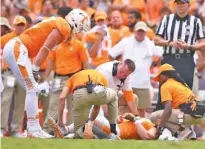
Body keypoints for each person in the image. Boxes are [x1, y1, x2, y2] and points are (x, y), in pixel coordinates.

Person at [3, 9, 90, 138]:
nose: (80, 31)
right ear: (77, 23)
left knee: (32, 88)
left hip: (17, 48)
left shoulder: (59, 22)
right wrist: (35, 68)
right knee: (32, 88)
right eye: (81, 27)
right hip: (18, 48)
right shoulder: (64, 27)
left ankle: (34, 128)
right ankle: (33, 129)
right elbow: (45, 48)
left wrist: (34, 68)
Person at [109, 22, 163, 117]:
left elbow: (162, 55)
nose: (140, 33)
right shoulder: (126, 41)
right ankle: (123, 128)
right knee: (123, 108)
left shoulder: (151, 44)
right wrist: (116, 69)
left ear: (146, 32)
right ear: (135, 31)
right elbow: (111, 54)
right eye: (139, 31)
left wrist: (154, 64)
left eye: (142, 31)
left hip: (143, 83)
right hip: (126, 82)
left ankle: (139, 128)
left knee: (142, 110)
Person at [154, 0, 205, 94]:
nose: (179, 5)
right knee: (165, 94)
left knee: (185, 94)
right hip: (169, 59)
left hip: (186, 59)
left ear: (189, 5)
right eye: (177, 3)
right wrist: (169, 42)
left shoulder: (195, 21)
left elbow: (203, 43)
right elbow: (156, 39)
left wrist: (189, 46)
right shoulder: (166, 19)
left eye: (182, 3)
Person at [55, 69, 119, 139]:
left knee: (78, 133)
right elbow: (97, 108)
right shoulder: (100, 75)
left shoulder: (72, 78)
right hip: (97, 91)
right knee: (114, 95)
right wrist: (90, 122)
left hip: (79, 95)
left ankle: (68, 133)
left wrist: (60, 121)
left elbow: (61, 98)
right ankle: (113, 129)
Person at [43, 36, 89, 132]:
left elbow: (85, 63)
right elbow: (51, 62)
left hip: (74, 78)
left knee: (73, 106)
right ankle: (47, 130)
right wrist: (46, 80)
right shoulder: (56, 45)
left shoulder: (78, 44)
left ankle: (71, 130)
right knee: (53, 104)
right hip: (58, 78)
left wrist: (86, 79)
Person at [150, 64, 205, 139]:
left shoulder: (166, 85)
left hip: (188, 114)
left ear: (165, 75)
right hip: (199, 115)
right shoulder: (181, 83)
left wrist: (160, 127)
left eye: (160, 76)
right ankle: (188, 134)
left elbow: (168, 110)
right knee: (175, 115)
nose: (159, 80)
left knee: (153, 117)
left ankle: (183, 131)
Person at [1, 16, 27, 138]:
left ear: (25, 26)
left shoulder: (28, 39)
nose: (20, 27)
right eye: (18, 25)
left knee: (20, 102)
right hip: (9, 72)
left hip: (22, 73)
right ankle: (2, 128)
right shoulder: (5, 39)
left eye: (22, 25)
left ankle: (16, 129)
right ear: (14, 26)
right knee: (5, 100)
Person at [47, 112, 157, 140]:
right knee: (89, 118)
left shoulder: (151, 125)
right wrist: (119, 118)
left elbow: (146, 136)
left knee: (92, 120)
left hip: (115, 134)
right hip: (111, 127)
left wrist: (134, 119)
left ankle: (66, 131)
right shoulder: (141, 120)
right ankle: (67, 132)